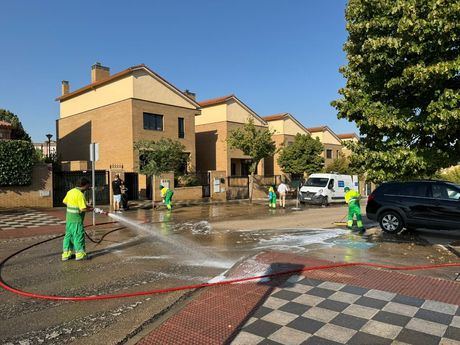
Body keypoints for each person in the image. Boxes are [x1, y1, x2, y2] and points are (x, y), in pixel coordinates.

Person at [62, 177, 93, 261]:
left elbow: (65, 201)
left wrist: (85, 206)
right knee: (78, 236)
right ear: (83, 185)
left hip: (69, 219)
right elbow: (83, 209)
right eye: (88, 186)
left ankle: (66, 254)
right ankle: (80, 254)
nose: (88, 187)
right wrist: (92, 209)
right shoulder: (80, 194)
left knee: (68, 236)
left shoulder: (70, 191)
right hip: (77, 220)